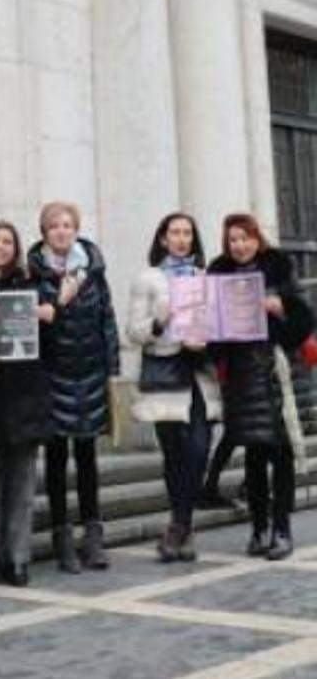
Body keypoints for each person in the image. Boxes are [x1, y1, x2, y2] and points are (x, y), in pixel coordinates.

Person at [208, 213, 308, 560]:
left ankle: (282, 530)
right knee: (253, 452)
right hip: (239, 373)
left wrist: (281, 307)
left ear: (256, 238)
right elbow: (212, 334)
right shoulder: (217, 272)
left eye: (245, 238)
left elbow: (304, 320)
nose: (239, 245)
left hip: (274, 370)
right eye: (233, 239)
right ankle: (259, 528)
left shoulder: (277, 267)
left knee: (280, 453)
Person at [27, 201, 120, 574]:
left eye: (68, 225)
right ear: (45, 232)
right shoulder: (34, 273)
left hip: (90, 373)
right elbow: (34, 323)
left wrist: (112, 368)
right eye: (54, 226)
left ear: (76, 229)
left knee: (86, 455)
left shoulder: (93, 271)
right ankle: (61, 535)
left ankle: (92, 535)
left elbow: (107, 320)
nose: (62, 231)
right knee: (55, 457)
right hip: (53, 374)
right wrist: (58, 301)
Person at [126, 212, 222, 563]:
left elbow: (223, 326)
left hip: (200, 371)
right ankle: (182, 528)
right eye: (175, 233)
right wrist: (159, 319)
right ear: (163, 239)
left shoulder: (207, 277)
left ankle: (178, 525)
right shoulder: (149, 278)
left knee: (198, 449)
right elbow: (133, 333)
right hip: (165, 370)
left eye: (187, 233)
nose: (181, 239)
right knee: (174, 454)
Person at [0, 221, 53, 587]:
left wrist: (45, 316)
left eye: (7, 242)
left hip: (25, 393)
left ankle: (18, 559)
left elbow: (49, 335)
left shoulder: (28, 286)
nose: (0, 247)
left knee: (21, 486)